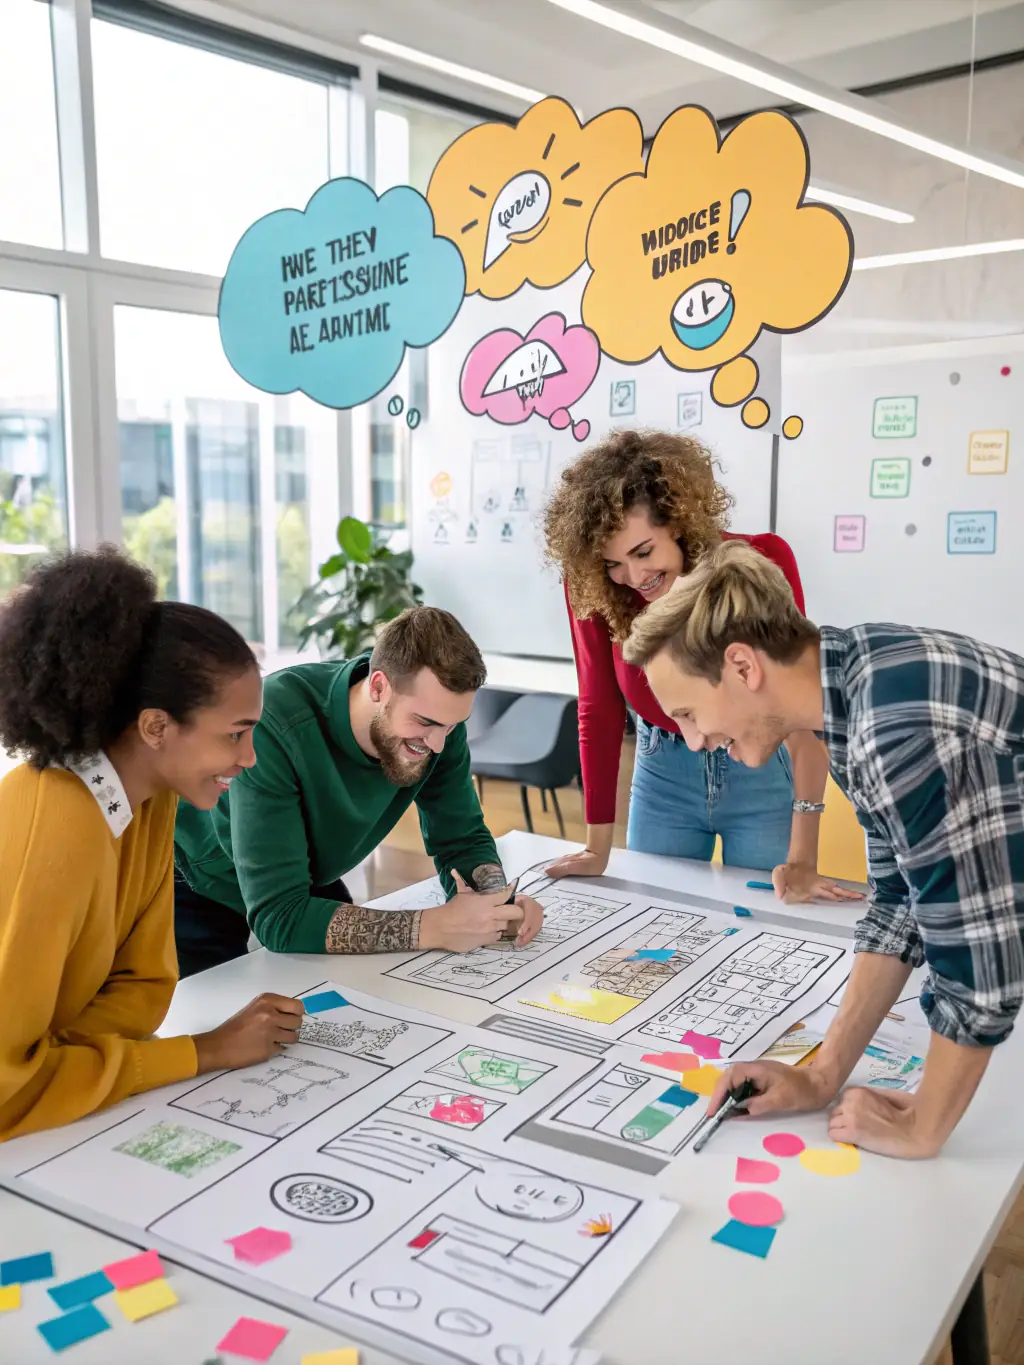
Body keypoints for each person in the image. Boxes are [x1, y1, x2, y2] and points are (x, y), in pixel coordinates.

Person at [623, 538, 1024, 1158]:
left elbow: (979, 967)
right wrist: (819, 1075)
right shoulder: (848, 686)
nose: (695, 741)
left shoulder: (888, 730)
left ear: (742, 666)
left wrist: (923, 1128)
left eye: (689, 712)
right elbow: (898, 904)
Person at [0, 548, 304, 1142]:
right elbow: (7, 1087)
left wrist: (69, 1059)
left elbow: (144, 989)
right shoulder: (56, 826)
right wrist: (203, 1052)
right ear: (156, 727)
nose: (249, 759)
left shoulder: (151, 798)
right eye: (236, 735)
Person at [542, 429, 859, 902]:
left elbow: (797, 708)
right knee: (656, 921)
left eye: (644, 551)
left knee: (764, 924)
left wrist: (803, 858)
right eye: (612, 563)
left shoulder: (759, 561)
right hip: (662, 772)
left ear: (679, 521)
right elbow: (598, 707)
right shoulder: (593, 588)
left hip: (760, 765)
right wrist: (597, 846)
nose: (633, 577)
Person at [174, 605, 544, 976]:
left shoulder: (439, 727)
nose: (437, 745)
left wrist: (495, 905)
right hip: (204, 879)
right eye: (425, 722)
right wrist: (435, 926)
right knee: (215, 1014)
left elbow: (461, 837)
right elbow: (280, 918)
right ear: (379, 686)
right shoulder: (276, 722)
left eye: (452, 726)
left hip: (306, 871)